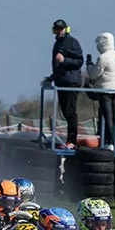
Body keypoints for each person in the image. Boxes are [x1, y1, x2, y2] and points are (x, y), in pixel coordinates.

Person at [48, 19, 84, 149]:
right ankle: (69, 140)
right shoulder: (57, 43)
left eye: (61, 29)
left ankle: (72, 141)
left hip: (71, 82)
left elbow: (79, 61)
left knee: (70, 111)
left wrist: (64, 61)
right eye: (57, 29)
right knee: (65, 111)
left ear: (66, 29)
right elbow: (57, 65)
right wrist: (52, 77)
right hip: (61, 81)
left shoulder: (72, 42)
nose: (59, 31)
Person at [85, 31, 115, 151]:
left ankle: (110, 142)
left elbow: (94, 74)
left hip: (105, 92)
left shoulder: (103, 57)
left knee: (108, 117)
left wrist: (89, 66)